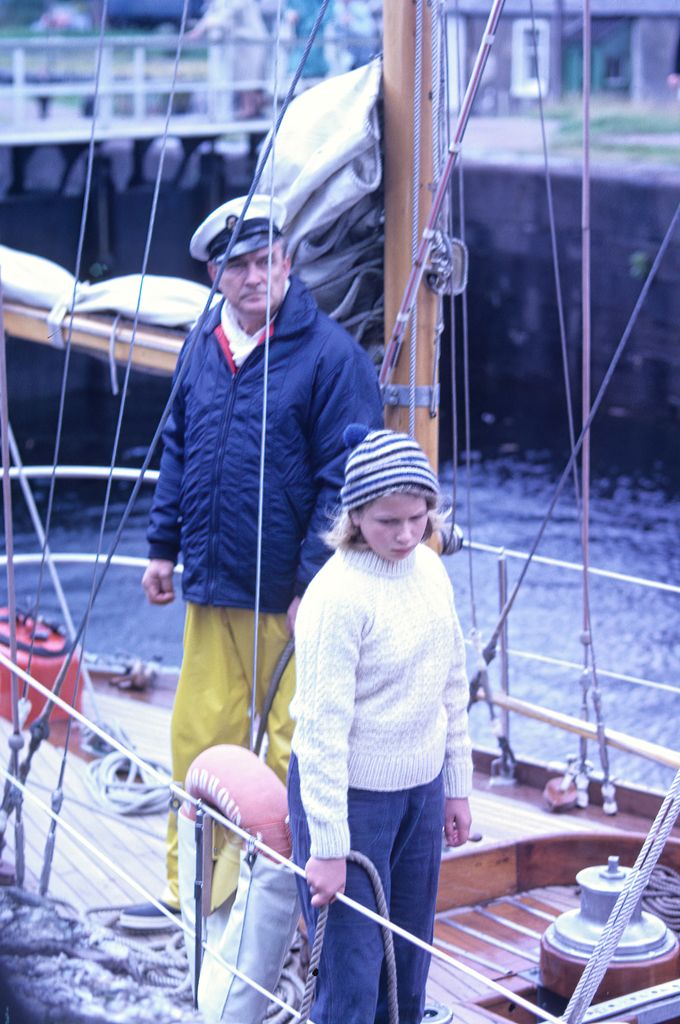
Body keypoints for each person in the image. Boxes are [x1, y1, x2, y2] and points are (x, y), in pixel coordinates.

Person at [119, 195, 383, 930]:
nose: (255, 276)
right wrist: (162, 547)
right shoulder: (203, 343)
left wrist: (310, 584)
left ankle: (302, 910)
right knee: (199, 741)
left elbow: (346, 479)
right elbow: (179, 446)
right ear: (214, 274)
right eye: (238, 266)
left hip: (293, 603)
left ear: (289, 265)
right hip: (213, 587)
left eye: (268, 261)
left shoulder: (332, 357)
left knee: (299, 753)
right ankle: (194, 894)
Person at [288, 425, 473, 1024]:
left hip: (420, 793)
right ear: (355, 515)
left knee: (409, 966)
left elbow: (452, 680)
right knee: (353, 979)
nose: (406, 534)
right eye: (388, 520)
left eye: (418, 518)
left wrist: (457, 785)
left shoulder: (432, 572)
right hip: (348, 798)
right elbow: (319, 730)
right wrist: (328, 846)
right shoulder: (335, 597)